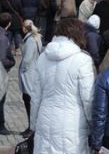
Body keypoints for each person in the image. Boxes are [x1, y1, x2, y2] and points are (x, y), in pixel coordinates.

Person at [32, 18, 95, 153]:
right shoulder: (83, 60)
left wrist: (33, 123)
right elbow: (88, 98)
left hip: (45, 117)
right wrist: (92, 123)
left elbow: (36, 96)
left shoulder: (43, 57)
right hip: (72, 121)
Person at [19, 19, 43, 138]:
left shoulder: (30, 41)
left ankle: (32, 128)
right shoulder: (37, 37)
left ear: (25, 28)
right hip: (33, 72)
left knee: (29, 100)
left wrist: (22, 70)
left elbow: (27, 60)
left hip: (29, 74)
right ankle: (30, 126)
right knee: (29, 100)